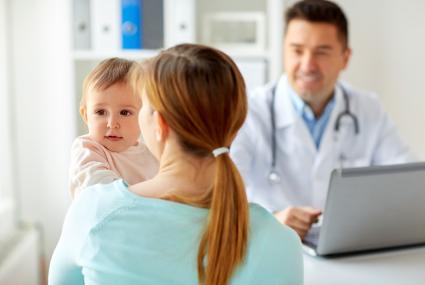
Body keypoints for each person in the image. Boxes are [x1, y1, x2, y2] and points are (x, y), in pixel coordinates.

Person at [49, 44, 303, 285]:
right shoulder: (281, 243)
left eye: (138, 109)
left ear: (159, 125)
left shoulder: (93, 214)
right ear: (234, 128)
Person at [230, 0, 414, 240]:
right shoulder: (249, 110)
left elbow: (407, 183)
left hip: (349, 248)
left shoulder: (368, 109)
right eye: (297, 50)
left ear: (345, 58)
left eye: (322, 52)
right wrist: (271, 221)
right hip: (273, 248)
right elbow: (222, 199)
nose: (308, 65)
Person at [69, 57, 158, 198]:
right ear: (85, 115)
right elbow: (102, 192)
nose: (112, 123)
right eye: (100, 112)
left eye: (124, 112)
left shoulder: (150, 153)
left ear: (144, 116)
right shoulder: (88, 149)